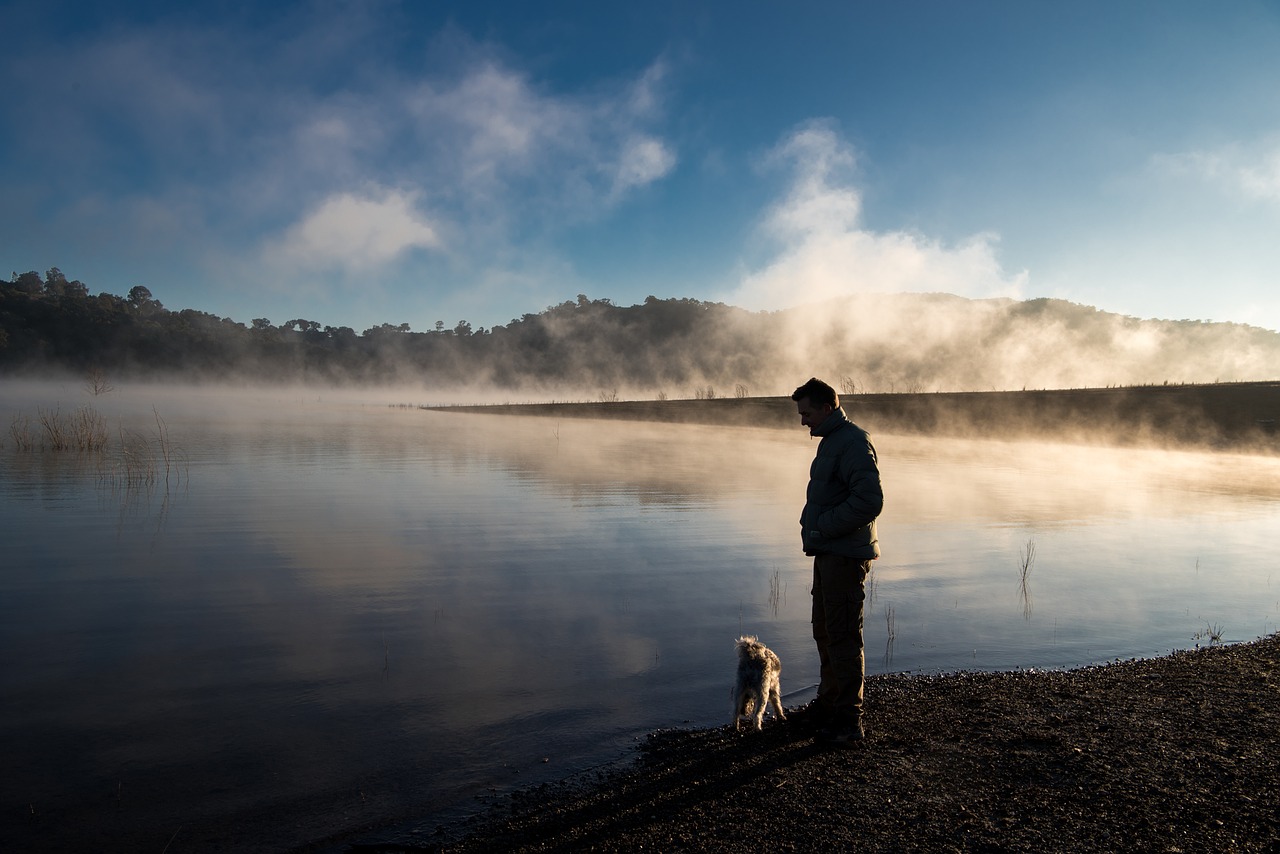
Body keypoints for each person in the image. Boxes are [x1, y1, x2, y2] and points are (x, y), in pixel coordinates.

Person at [791, 377, 883, 747]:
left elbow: (869, 501)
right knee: (825, 630)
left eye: (807, 413)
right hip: (830, 553)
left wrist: (823, 527)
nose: (802, 421)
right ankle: (829, 704)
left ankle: (848, 722)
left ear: (827, 408)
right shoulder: (833, 442)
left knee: (843, 636)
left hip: (845, 556)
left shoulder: (854, 443)